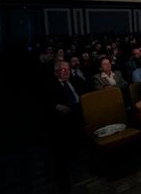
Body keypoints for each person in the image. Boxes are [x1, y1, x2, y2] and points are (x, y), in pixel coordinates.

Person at [48, 61, 85, 191]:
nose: (66, 72)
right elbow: (49, 102)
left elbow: (86, 91)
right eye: (63, 70)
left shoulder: (76, 80)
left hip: (81, 109)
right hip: (66, 114)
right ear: (56, 73)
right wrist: (57, 106)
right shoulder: (52, 86)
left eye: (67, 69)